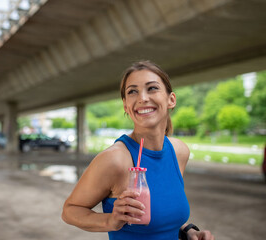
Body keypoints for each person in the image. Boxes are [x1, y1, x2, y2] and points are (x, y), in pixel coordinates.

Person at [62, 60, 214, 240]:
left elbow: (161, 212)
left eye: (152, 88)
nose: (142, 98)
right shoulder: (115, 159)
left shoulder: (179, 152)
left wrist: (188, 230)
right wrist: (110, 220)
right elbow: (70, 211)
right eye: (132, 91)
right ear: (126, 106)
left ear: (171, 99)